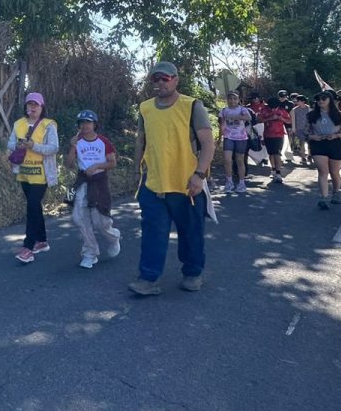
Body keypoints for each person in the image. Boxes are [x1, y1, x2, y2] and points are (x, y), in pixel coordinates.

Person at [129, 62, 216, 296]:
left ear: (176, 80)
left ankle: (193, 273)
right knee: (152, 233)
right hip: (154, 183)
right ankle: (148, 279)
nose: (159, 83)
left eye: (164, 79)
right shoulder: (145, 108)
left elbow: (208, 143)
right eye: (155, 79)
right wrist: (137, 171)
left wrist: (199, 175)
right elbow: (141, 141)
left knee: (191, 233)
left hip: (187, 184)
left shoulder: (192, 106)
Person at [65, 110, 120, 269]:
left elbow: (112, 163)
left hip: (99, 182)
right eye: (82, 123)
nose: (85, 126)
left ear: (95, 124)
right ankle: (90, 253)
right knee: (78, 217)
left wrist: (97, 165)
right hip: (81, 181)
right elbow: (68, 165)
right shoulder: (77, 141)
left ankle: (114, 237)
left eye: (88, 122)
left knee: (100, 221)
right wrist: (72, 147)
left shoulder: (103, 142)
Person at [8, 92, 58, 263]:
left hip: (41, 174)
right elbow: (10, 144)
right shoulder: (18, 124)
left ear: (42, 107)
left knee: (31, 207)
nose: (32, 107)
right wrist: (18, 144)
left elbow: (53, 148)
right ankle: (42, 241)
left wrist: (33, 146)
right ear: (25, 106)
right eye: (30, 104)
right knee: (34, 207)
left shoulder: (48, 125)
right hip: (24, 173)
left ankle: (28, 247)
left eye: (36, 104)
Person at [305, 90, 341, 209]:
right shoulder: (311, 115)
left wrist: (336, 135)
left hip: (335, 144)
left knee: (334, 172)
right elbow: (305, 131)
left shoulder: (339, 114)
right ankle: (323, 198)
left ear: (330, 100)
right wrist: (311, 136)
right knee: (322, 171)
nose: (320, 101)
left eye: (323, 98)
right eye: (318, 99)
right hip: (318, 144)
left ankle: (336, 193)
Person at [218, 91, 252, 193]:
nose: (232, 101)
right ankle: (229, 182)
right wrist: (219, 138)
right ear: (227, 100)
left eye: (234, 99)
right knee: (227, 160)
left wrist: (235, 117)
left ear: (238, 100)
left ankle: (241, 183)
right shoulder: (224, 111)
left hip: (241, 137)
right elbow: (222, 125)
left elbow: (248, 117)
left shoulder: (242, 109)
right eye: (230, 98)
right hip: (228, 137)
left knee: (240, 160)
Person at [260, 96, 291, 184]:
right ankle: (273, 169)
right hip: (268, 135)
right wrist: (270, 118)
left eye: (275, 107)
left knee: (277, 153)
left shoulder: (282, 111)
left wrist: (281, 118)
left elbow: (289, 121)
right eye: (271, 107)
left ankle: (278, 173)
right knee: (271, 153)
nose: (273, 109)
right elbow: (259, 120)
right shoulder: (264, 110)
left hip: (279, 135)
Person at [290, 94, 311, 166]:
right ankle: (303, 157)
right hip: (299, 129)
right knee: (301, 143)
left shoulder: (308, 108)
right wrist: (293, 129)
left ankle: (310, 155)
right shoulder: (294, 110)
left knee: (309, 143)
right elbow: (293, 120)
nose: (297, 102)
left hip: (308, 129)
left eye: (298, 101)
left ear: (303, 101)